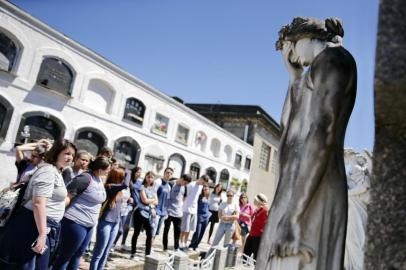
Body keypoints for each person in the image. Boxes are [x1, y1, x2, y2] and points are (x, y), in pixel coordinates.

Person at [256, 17, 357, 269]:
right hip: (302, 184)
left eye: (290, 48)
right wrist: (294, 78)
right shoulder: (317, 68)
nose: (289, 56)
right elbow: (288, 130)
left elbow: (322, 134)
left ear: (304, 38)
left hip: (311, 186)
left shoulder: (333, 60)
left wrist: (295, 215)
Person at [0, 139, 76, 270]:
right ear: (57, 153)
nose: (70, 158)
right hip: (33, 226)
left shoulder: (57, 171)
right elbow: (38, 203)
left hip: (42, 226)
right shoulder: (48, 171)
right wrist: (41, 235)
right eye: (67, 153)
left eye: (72, 155)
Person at [52, 156, 111, 270]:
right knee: (65, 257)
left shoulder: (98, 179)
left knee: (77, 256)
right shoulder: (85, 178)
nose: (109, 171)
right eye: (107, 168)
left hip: (89, 225)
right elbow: (67, 196)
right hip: (75, 222)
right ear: (100, 169)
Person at [89, 167, 130, 270]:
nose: (123, 178)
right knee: (99, 252)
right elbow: (125, 184)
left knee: (106, 253)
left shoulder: (119, 191)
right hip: (105, 222)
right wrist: (128, 172)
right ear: (117, 177)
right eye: (122, 176)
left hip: (115, 223)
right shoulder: (109, 187)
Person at [130, 171, 158, 261]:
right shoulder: (142, 187)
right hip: (140, 212)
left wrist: (152, 200)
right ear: (145, 177)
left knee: (149, 234)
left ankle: (147, 253)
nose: (150, 179)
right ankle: (133, 253)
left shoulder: (153, 188)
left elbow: (157, 201)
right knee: (136, 232)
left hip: (149, 214)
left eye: (152, 177)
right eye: (148, 177)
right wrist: (152, 200)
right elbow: (144, 200)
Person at [114, 167, 142, 250]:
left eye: (140, 172)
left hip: (136, 207)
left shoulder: (140, 182)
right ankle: (114, 243)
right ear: (134, 172)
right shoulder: (129, 181)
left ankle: (123, 243)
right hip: (128, 205)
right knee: (123, 226)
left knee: (128, 227)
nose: (139, 174)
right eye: (137, 172)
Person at [162, 174, 191, 252]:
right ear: (181, 178)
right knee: (166, 230)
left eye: (186, 184)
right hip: (169, 211)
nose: (185, 185)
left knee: (177, 231)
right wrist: (166, 210)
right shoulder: (171, 184)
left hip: (178, 212)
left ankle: (176, 247)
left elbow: (184, 197)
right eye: (185, 182)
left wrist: (181, 206)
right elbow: (166, 198)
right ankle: (165, 248)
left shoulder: (184, 187)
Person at [179, 175, 210, 249]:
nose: (203, 184)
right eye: (203, 182)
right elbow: (184, 196)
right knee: (184, 228)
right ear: (201, 179)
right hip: (187, 209)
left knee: (189, 228)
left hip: (194, 210)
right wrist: (182, 207)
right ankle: (180, 242)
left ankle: (185, 242)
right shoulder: (191, 185)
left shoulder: (200, 187)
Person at [243, 193, 268, 260]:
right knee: (245, 254)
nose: (254, 200)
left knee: (256, 257)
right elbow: (252, 219)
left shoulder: (265, 211)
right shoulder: (256, 210)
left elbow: (265, 224)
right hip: (251, 234)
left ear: (259, 201)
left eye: (255, 199)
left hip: (258, 236)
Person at [152, 168, 173, 242]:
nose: (169, 174)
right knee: (153, 230)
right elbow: (153, 193)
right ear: (164, 173)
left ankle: (150, 246)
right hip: (156, 209)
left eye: (170, 173)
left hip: (163, 211)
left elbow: (168, 200)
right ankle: (148, 248)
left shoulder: (169, 186)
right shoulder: (158, 182)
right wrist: (153, 207)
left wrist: (167, 211)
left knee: (157, 230)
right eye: (167, 172)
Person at [189, 184, 211, 250]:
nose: (206, 190)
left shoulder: (209, 198)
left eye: (207, 189)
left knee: (202, 233)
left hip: (206, 218)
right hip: (199, 217)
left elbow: (209, 207)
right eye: (204, 189)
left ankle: (196, 246)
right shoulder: (199, 197)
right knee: (197, 232)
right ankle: (191, 245)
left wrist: (208, 215)